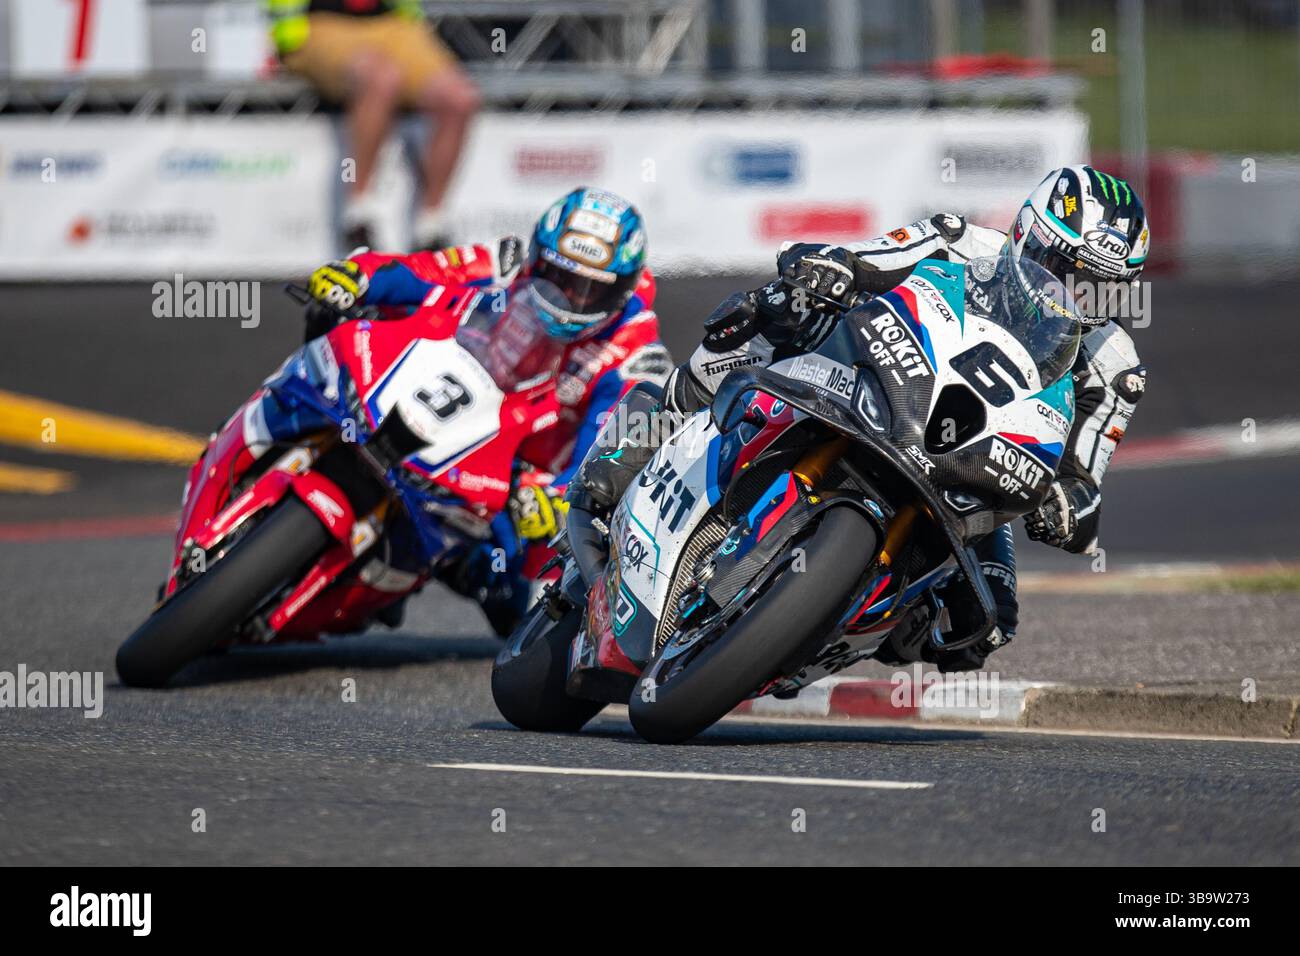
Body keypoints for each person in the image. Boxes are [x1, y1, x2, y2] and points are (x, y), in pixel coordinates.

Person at [577, 165, 1150, 671]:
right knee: (762, 320)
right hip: (877, 378)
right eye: (1064, 270)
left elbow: (1084, 480)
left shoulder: (1113, 366)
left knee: (987, 622)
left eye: (1098, 288)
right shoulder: (959, 241)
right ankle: (631, 453)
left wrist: (1066, 508)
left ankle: (831, 626)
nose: (1073, 295)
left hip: (971, 463)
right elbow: (866, 261)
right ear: (1025, 235)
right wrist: (829, 270)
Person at [303, 187, 673, 632]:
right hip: (442, 393)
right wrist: (358, 276)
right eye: (556, 276)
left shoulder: (638, 355)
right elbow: (423, 273)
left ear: (625, 287)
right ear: (538, 256)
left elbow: (610, 448)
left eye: (590, 290)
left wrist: (558, 497)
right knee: (343, 315)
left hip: (518, 480)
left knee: (520, 605)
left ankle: (405, 573)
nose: (569, 299)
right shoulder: (506, 262)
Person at [265, 0, 480, 250]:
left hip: (393, 23)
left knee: (459, 98)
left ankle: (431, 228)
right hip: (319, 23)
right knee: (380, 79)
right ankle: (358, 216)